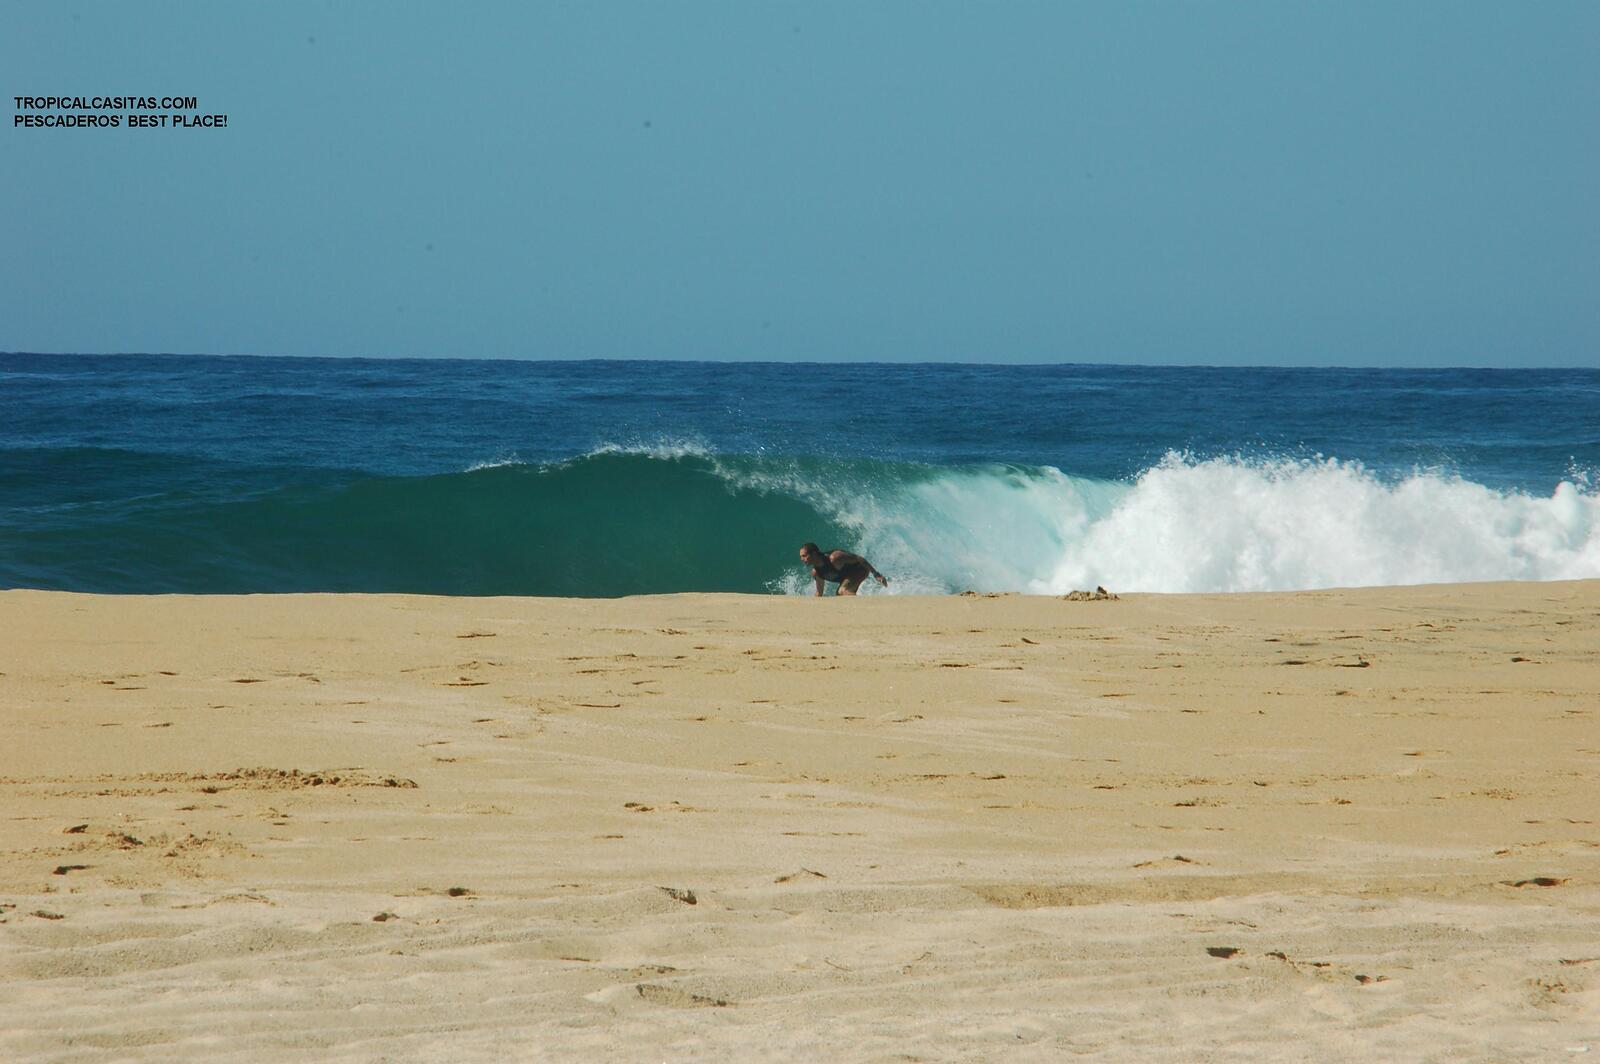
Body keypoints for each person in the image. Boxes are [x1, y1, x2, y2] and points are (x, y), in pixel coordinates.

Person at [798, 542, 888, 596]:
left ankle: (867, 604)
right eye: (801, 557)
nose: (802, 559)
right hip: (847, 577)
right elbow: (819, 593)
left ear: (814, 554)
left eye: (804, 556)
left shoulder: (835, 558)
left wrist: (876, 574)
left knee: (842, 591)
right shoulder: (817, 572)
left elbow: (858, 558)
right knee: (840, 595)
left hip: (860, 570)